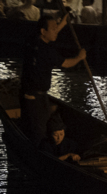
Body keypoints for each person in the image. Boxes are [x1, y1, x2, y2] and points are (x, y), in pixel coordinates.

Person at [20, 14, 87, 144]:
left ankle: (45, 147)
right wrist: (80, 57)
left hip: (36, 94)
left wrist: (62, 23)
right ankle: (41, 152)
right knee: (38, 130)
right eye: (53, 28)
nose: (56, 31)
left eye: (57, 28)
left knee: (43, 123)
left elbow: (51, 31)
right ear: (43, 31)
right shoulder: (46, 51)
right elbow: (66, 63)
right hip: (34, 97)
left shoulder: (33, 40)